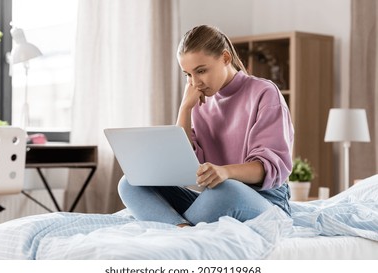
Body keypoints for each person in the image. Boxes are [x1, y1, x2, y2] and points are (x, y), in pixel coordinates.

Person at [118, 25, 294, 227]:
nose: (195, 82)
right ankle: (182, 230)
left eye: (201, 71)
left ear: (226, 58)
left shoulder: (264, 93)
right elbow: (184, 164)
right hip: (213, 198)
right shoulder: (199, 100)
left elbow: (267, 168)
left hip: (265, 201)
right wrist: (185, 109)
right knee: (130, 182)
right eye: (188, 75)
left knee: (228, 189)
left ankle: (175, 225)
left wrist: (225, 172)